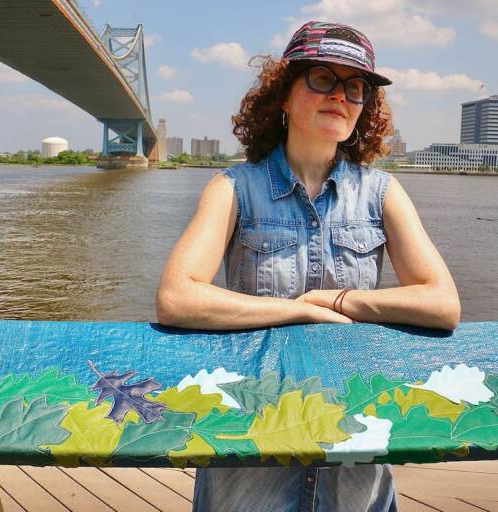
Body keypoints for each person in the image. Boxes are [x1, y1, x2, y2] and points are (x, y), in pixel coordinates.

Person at [155, 20, 461, 512]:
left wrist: (339, 301)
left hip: (354, 436)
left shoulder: (383, 194)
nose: (340, 95)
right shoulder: (233, 189)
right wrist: (297, 311)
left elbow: (442, 303)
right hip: (251, 437)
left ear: (365, 109)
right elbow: (176, 298)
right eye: (323, 78)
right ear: (283, 94)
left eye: (355, 87)